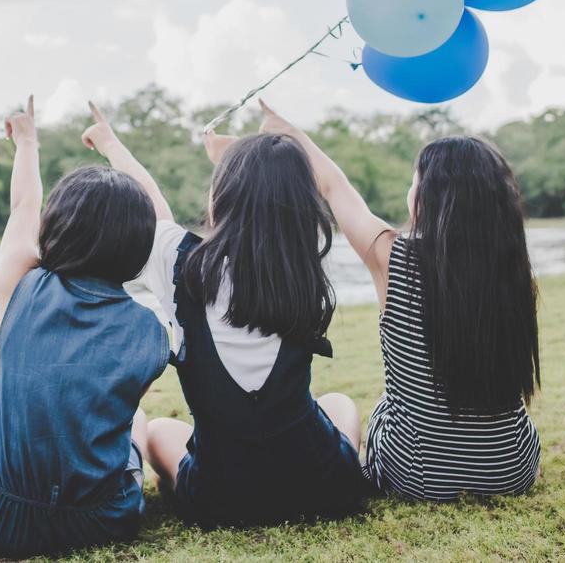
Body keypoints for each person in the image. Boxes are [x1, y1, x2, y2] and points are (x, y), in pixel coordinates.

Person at [82, 102, 368, 528]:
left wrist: (110, 144)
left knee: (161, 430)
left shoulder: (181, 266)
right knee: (339, 404)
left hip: (220, 500)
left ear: (222, 195)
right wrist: (251, 158)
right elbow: (305, 192)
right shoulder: (304, 267)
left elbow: (151, 206)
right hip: (324, 487)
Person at [0, 96, 170, 559]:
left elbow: (22, 208)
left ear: (56, 227)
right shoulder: (150, 330)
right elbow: (160, 221)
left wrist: (27, 143)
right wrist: (114, 148)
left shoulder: (22, 286)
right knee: (134, 418)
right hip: (106, 519)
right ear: (142, 242)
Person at [253, 100, 542, 501]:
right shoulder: (514, 273)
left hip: (418, 477)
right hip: (512, 469)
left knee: (368, 411)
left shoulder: (394, 258)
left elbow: (334, 186)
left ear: (429, 197)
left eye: (414, 181)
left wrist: (289, 131)